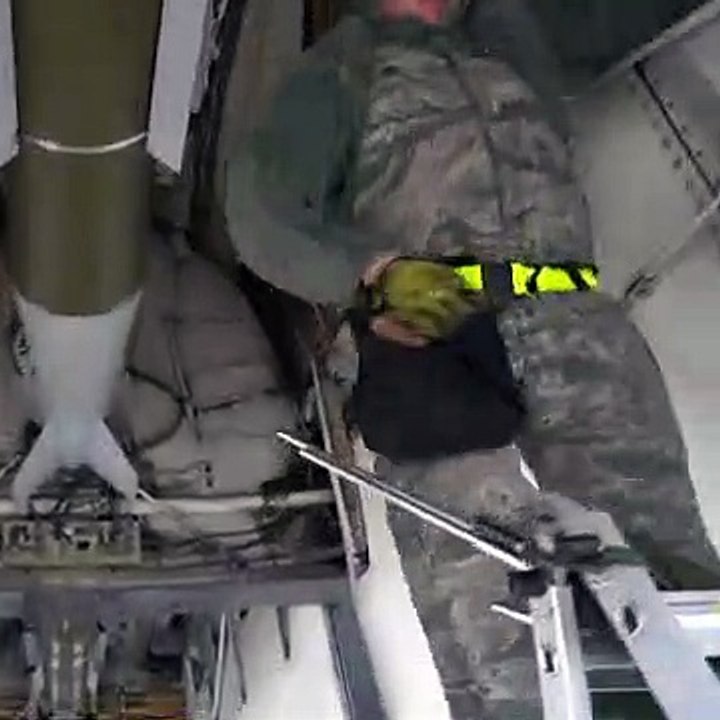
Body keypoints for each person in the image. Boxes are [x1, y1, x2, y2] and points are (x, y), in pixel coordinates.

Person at [224, 0, 720, 717]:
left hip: (574, 328)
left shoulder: (515, 33)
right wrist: (367, 274)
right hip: (439, 344)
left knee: (668, 559)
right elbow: (261, 214)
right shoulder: (341, 70)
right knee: (490, 600)